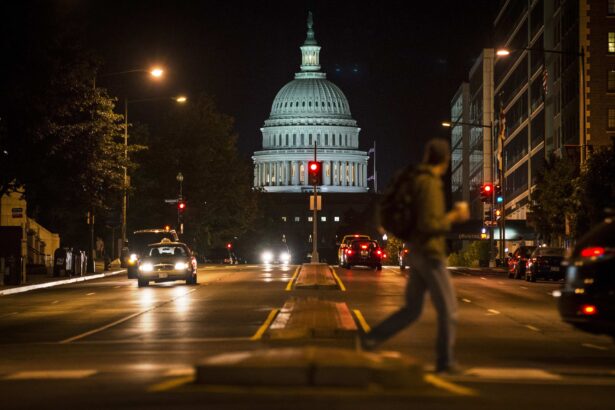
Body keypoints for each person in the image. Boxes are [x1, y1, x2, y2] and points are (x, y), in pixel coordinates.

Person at [360, 138, 470, 374]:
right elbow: (430, 223)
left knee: (412, 309)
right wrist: (454, 216)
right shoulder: (429, 183)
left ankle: (369, 340)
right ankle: (445, 361)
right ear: (444, 161)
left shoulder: (414, 177)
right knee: (449, 310)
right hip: (429, 253)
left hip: (415, 252)